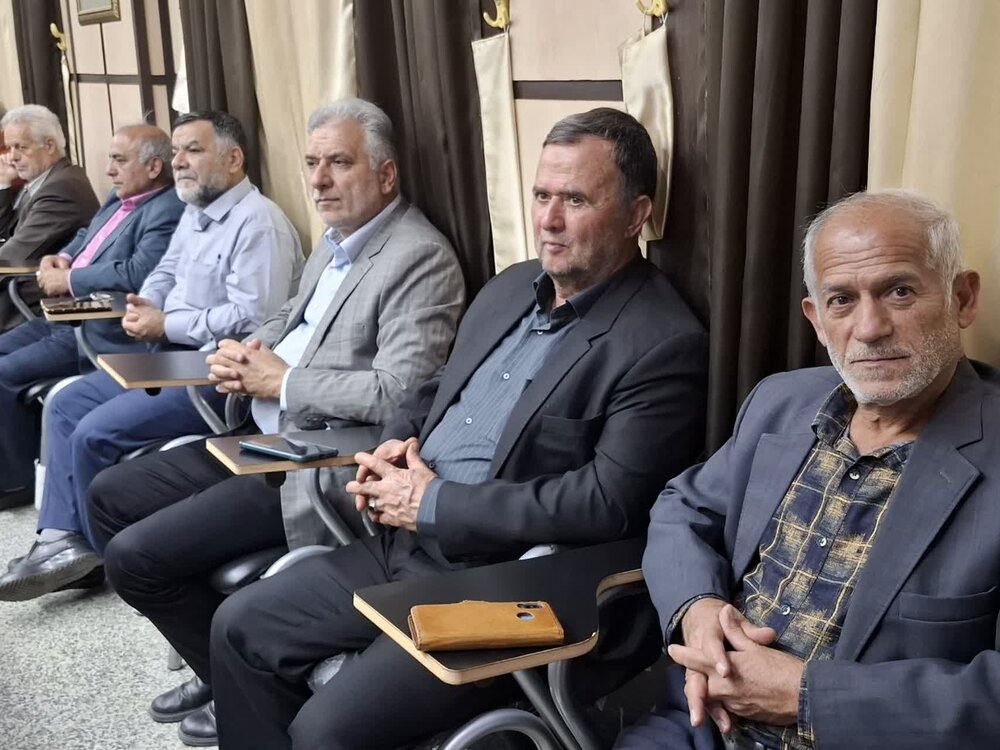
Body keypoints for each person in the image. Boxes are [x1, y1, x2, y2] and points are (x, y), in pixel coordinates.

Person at [206, 107, 709, 750]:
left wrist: (435, 503)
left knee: (324, 732)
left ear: (637, 214)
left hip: (500, 582)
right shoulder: (511, 287)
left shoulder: (661, 341)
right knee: (239, 626)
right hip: (403, 543)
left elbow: (607, 503)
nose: (549, 221)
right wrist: (397, 443)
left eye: (576, 200)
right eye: (542, 196)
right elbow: (433, 390)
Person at [86, 97, 466, 746]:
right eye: (312, 163)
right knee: (107, 497)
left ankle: (243, 682)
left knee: (133, 559)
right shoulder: (336, 242)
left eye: (339, 163)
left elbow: (401, 392)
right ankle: (224, 672)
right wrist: (247, 350)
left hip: (311, 462)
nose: (318, 180)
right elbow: (292, 317)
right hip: (255, 435)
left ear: (386, 174)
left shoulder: (418, 257)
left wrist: (282, 380)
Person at [617, 190, 1000, 750]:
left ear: (961, 299)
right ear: (817, 320)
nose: (869, 327)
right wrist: (697, 609)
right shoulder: (781, 402)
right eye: (841, 300)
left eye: (899, 291)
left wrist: (806, 696)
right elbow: (683, 507)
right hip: (696, 725)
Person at [0, 110, 303, 602]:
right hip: (166, 354)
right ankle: (59, 540)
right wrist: (148, 305)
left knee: (94, 433)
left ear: (233, 159)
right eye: (177, 150)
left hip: (216, 373)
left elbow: (254, 321)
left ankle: (107, 562)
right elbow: (163, 271)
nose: (178, 161)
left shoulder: (258, 223)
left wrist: (168, 324)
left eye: (193, 150)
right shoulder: (195, 211)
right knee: (65, 405)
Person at [0, 123, 183, 510]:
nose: (109, 170)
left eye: (119, 160)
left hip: (96, 325)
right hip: (63, 314)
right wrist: (63, 256)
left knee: (3, 373)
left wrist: (69, 279)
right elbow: (90, 233)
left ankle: (15, 483)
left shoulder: (167, 209)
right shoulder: (121, 195)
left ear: (153, 167)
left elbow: (137, 273)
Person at [0, 104, 100, 328]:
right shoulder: (42, 181)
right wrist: (4, 184)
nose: (12, 157)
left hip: (33, 300)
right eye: (9, 148)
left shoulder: (61, 188)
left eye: (21, 147)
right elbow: (5, 235)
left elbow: (11, 255)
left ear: (49, 145)